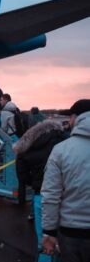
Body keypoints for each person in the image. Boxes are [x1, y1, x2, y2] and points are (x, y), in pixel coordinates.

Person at [41, 99, 90, 261]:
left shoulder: (61, 150)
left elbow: (51, 196)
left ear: (76, 118)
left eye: (70, 117)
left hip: (71, 232)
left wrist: (49, 232)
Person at [14, 120, 66, 261]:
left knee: (45, 242)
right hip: (66, 197)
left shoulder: (29, 145)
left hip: (40, 195)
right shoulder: (66, 141)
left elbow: (22, 174)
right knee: (64, 243)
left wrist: (35, 183)